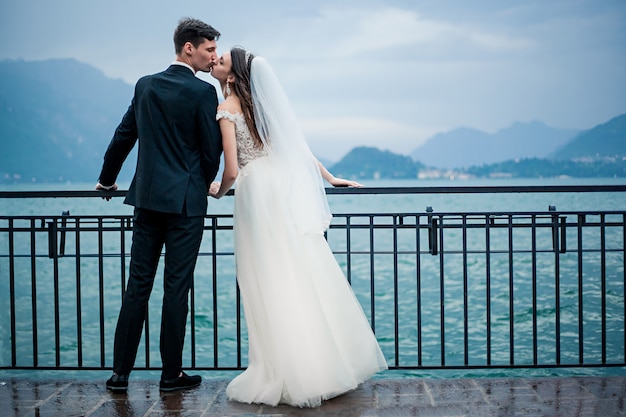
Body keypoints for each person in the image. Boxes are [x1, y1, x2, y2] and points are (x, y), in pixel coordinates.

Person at [208, 47, 388, 408]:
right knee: (297, 271)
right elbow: (298, 150)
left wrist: (217, 192)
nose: (215, 60)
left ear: (232, 76)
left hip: (255, 194)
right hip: (278, 193)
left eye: (222, 60)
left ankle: (284, 369)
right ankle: (324, 363)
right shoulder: (261, 109)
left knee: (265, 279)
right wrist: (331, 177)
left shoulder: (227, 110)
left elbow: (230, 171)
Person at [96, 17, 223, 393]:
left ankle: (120, 375)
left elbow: (124, 136)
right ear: (189, 48)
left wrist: (106, 180)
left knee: (137, 286)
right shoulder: (203, 93)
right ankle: (171, 375)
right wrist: (198, 184)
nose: (214, 57)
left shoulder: (145, 86)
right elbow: (210, 151)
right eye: (209, 49)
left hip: (147, 201)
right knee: (176, 289)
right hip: (186, 205)